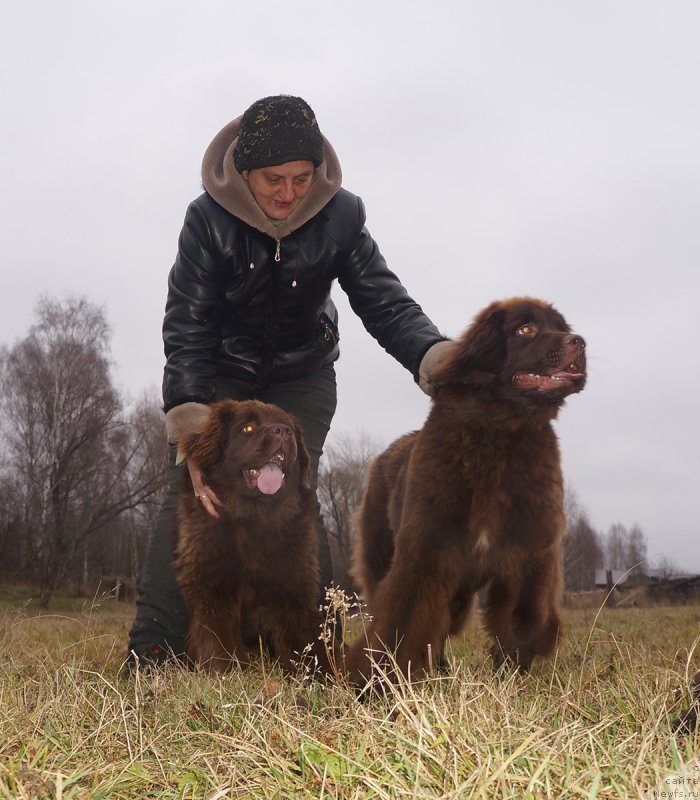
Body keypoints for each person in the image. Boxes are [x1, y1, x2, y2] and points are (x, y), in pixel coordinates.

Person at [127, 95, 453, 666]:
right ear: (244, 172)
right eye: (273, 179)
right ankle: (153, 643)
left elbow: (385, 302)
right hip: (223, 377)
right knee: (191, 490)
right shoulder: (207, 220)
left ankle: (314, 648)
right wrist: (191, 429)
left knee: (297, 492)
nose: (287, 192)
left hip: (303, 373)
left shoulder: (342, 215)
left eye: (301, 179)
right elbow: (188, 324)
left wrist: (436, 356)